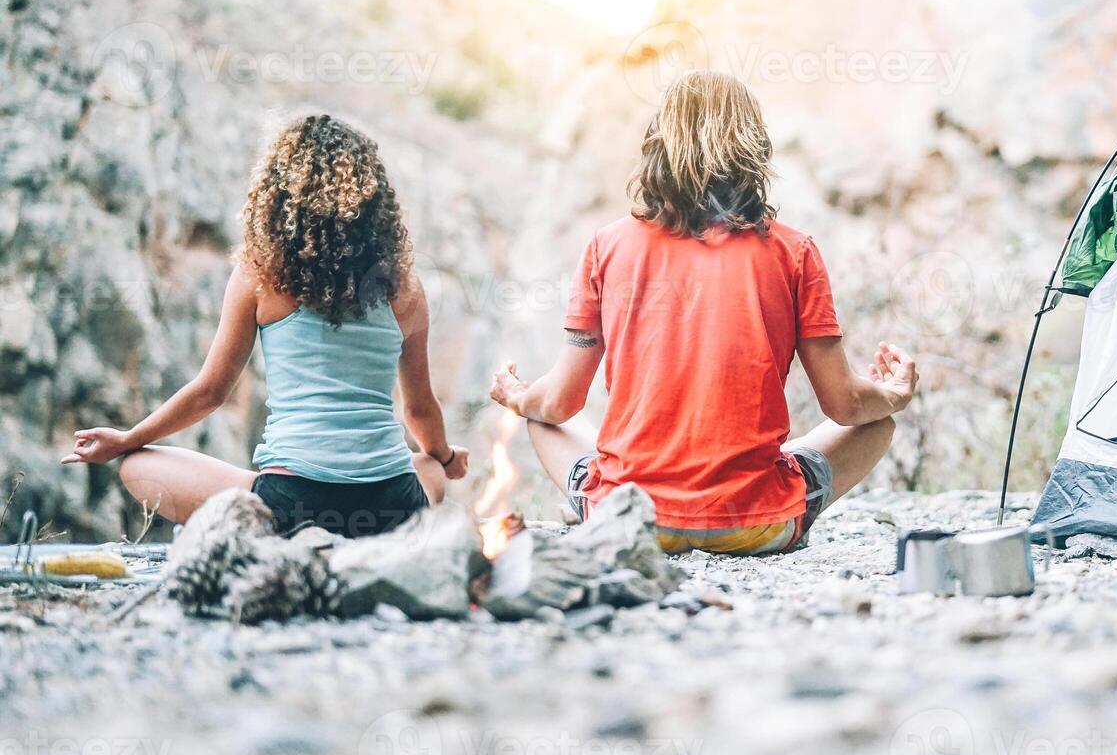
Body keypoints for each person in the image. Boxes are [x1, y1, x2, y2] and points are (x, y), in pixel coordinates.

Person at [490, 71, 919, 556]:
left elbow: (559, 405)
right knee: (876, 425)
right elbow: (847, 407)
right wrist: (892, 394)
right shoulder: (794, 252)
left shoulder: (605, 247)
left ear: (658, 143)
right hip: (755, 525)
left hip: (630, 522)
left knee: (542, 422)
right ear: (753, 146)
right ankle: (757, 508)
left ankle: (593, 507)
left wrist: (521, 397)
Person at [61, 115, 469, 537]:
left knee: (138, 465)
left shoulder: (260, 276)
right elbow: (419, 408)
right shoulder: (405, 288)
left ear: (279, 193)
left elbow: (210, 392)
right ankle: (373, 533)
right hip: (391, 506)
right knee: (428, 467)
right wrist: (446, 455)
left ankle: (279, 533)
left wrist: (127, 439)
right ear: (374, 203)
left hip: (291, 505)